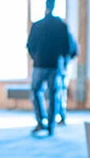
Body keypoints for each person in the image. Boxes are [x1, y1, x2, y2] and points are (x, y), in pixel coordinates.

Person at [26, 0, 71, 136]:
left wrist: (36, 57)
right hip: (54, 65)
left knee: (36, 92)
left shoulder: (37, 25)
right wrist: (61, 59)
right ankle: (51, 125)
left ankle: (41, 121)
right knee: (53, 95)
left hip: (40, 64)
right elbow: (67, 47)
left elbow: (30, 45)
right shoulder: (60, 25)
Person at [56, 29, 78, 126]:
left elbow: (75, 50)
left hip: (62, 67)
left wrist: (66, 61)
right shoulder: (68, 36)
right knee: (60, 92)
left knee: (58, 91)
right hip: (63, 66)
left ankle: (60, 115)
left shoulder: (65, 36)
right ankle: (60, 115)